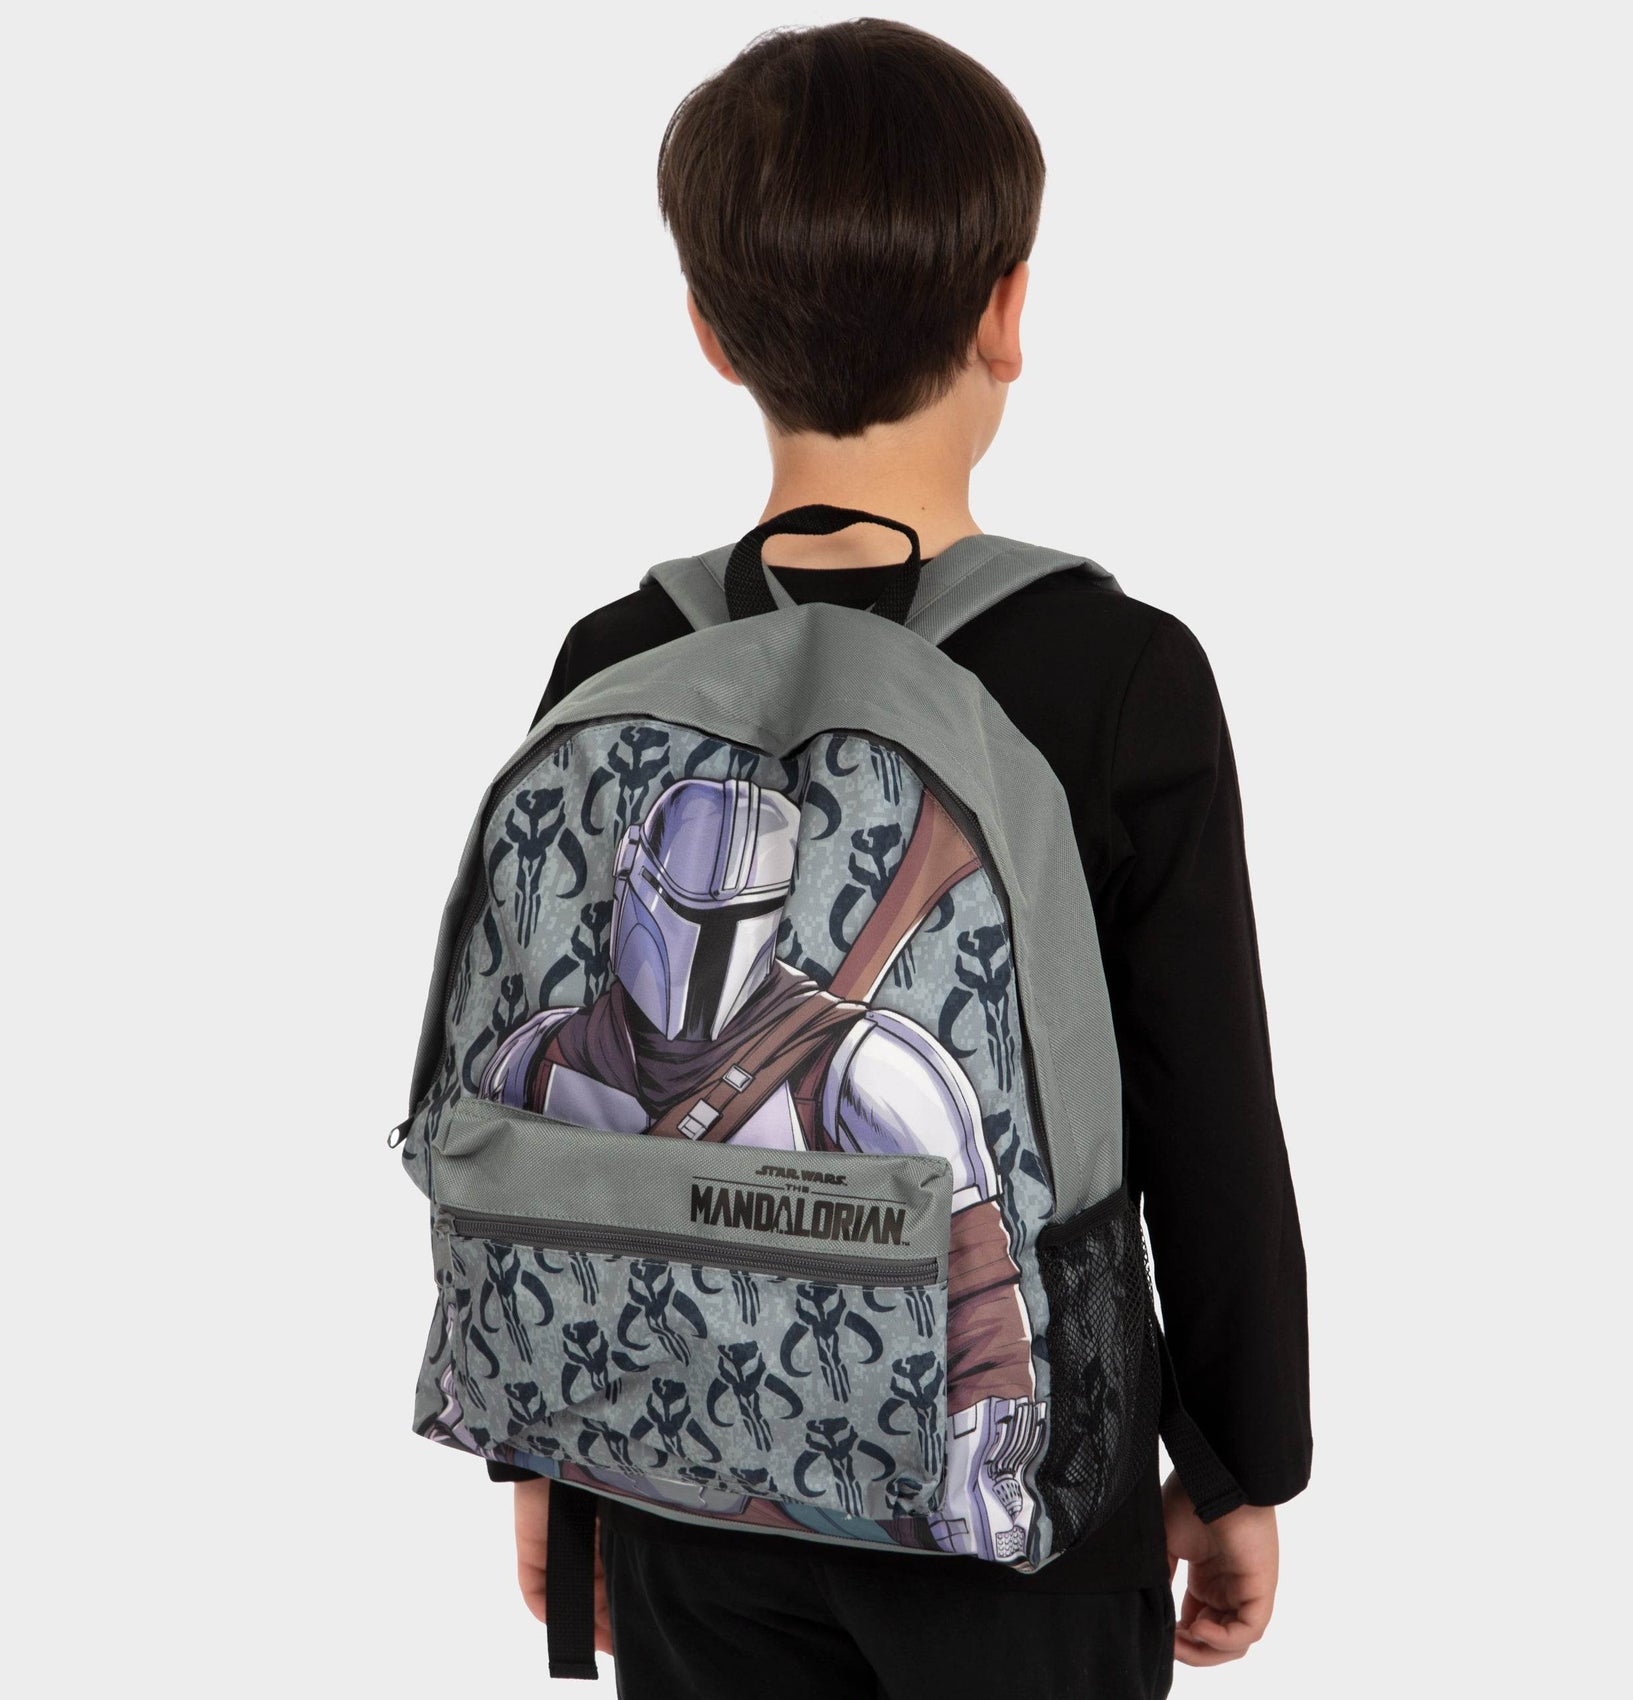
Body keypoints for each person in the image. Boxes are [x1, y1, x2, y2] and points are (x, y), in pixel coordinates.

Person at [492, 20, 1310, 1698]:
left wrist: (547, 1454)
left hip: (681, 1473)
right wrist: (1241, 1461)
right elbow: (1210, 1110)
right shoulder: (1118, 674)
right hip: (1015, 1518)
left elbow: (548, 1112)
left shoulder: (616, 659)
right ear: (1009, 312)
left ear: (711, 332)